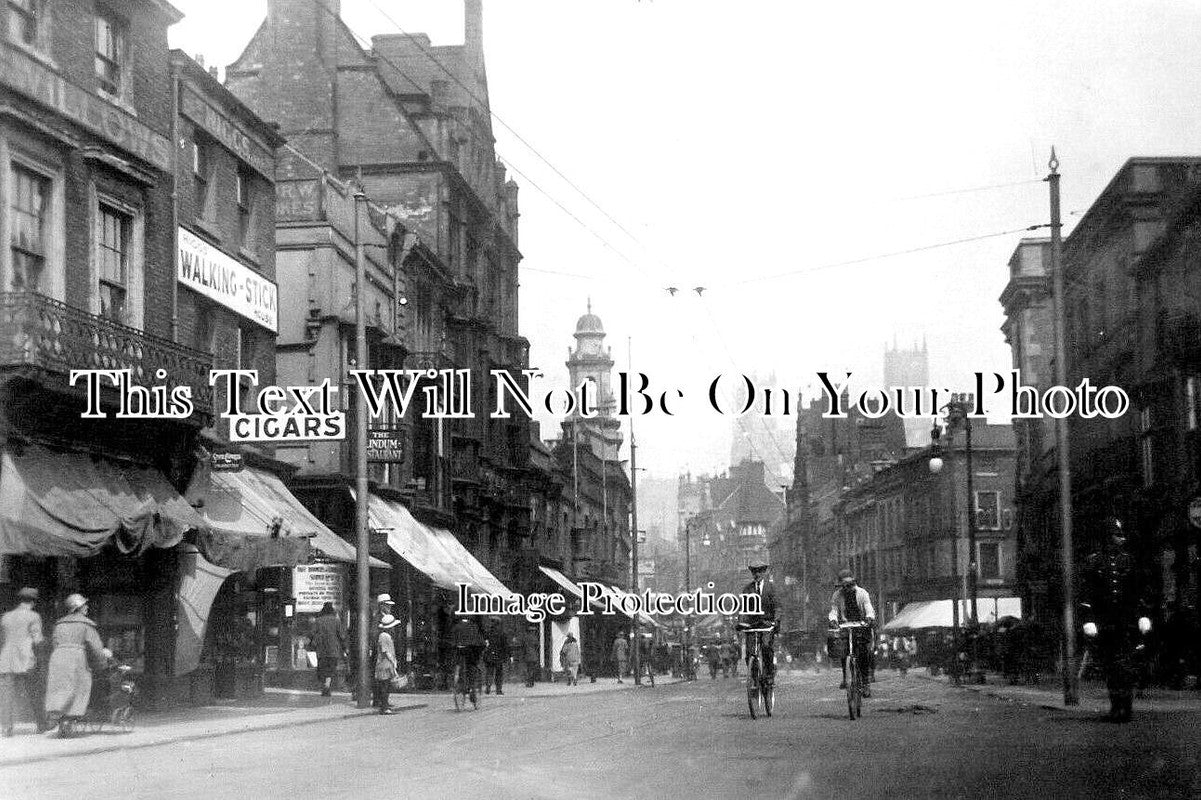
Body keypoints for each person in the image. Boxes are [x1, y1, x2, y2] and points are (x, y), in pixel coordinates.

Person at [1081, 517, 1149, 723]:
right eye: (1116, 536)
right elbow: (1087, 594)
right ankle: (1116, 706)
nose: (1120, 539)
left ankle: (1125, 706)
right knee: (1110, 666)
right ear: (1107, 538)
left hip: (1126, 622)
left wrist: (1143, 615)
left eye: (1120, 536)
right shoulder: (1094, 562)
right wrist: (1089, 619)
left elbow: (1138, 592)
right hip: (1104, 622)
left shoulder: (1128, 561)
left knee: (1126, 667)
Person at [44, 594, 110, 732]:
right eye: (84, 605)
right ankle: (69, 716)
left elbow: (54, 642)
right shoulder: (86, 624)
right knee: (79, 685)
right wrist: (102, 663)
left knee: (59, 686)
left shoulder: (59, 624)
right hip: (76, 657)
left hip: (58, 657)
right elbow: (96, 648)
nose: (87, 607)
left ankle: (56, 712)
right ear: (78, 607)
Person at [0, 588, 45, 736]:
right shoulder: (34, 616)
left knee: (6, 694)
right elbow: (37, 638)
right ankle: (41, 724)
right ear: (33, 601)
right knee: (33, 691)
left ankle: (6, 727)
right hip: (25, 658)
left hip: (6, 658)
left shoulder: (5, 616)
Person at [828, 568, 876, 697]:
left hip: (861, 625)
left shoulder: (862, 593)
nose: (848, 588)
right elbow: (833, 611)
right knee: (843, 650)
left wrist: (869, 617)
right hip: (845, 625)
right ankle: (846, 676)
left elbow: (868, 608)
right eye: (845, 586)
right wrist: (832, 620)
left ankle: (865, 683)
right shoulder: (837, 595)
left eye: (850, 585)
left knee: (864, 652)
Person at [740, 564, 780, 685]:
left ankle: (769, 673)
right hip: (752, 625)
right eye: (754, 572)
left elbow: (778, 607)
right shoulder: (747, 589)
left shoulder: (771, 588)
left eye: (759, 572)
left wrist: (776, 620)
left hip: (767, 624)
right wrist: (741, 622)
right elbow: (743, 609)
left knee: (766, 646)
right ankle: (754, 677)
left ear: (764, 573)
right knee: (749, 653)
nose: (757, 574)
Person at [310, 602, 348, 698]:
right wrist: (345, 648)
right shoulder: (336, 621)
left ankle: (324, 686)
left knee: (322, 667)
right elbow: (341, 636)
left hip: (321, 649)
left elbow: (312, 633)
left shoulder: (318, 621)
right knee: (331, 668)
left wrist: (313, 643)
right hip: (333, 649)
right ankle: (327, 685)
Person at [451, 616, 484, 703]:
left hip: (459, 650)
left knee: (459, 665)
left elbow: (452, 639)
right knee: (472, 667)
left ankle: (458, 682)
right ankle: (472, 688)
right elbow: (480, 641)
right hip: (470, 650)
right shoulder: (473, 626)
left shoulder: (456, 626)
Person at [373, 614, 402, 715]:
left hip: (386, 664)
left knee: (386, 686)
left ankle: (385, 705)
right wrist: (393, 661)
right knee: (385, 686)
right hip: (384, 664)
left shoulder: (385, 636)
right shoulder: (384, 636)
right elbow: (385, 651)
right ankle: (384, 707)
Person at [482, 619, 509, 695]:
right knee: (499, 673)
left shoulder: (487, 633)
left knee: (489, 672)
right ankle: (498, 689)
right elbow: (505, 646)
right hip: (499, 656)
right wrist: (508, 655)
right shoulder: (502, 633)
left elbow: (484, 643)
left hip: (489, 656)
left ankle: (488, 688)